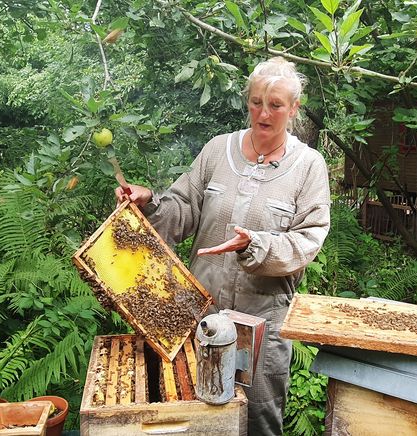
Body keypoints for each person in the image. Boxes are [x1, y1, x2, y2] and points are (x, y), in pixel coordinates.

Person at [115, 57, 331, 435]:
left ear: (294, 108)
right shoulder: (217, 150)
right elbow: (181, 210)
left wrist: (256, 245)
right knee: (197, 415)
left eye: (276, 105)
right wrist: (149, 203)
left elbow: (307, 240)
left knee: (258, 419)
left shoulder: (308, 166)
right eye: (256, 102)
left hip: (263, 321)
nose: (263, 113)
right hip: (199, 313)